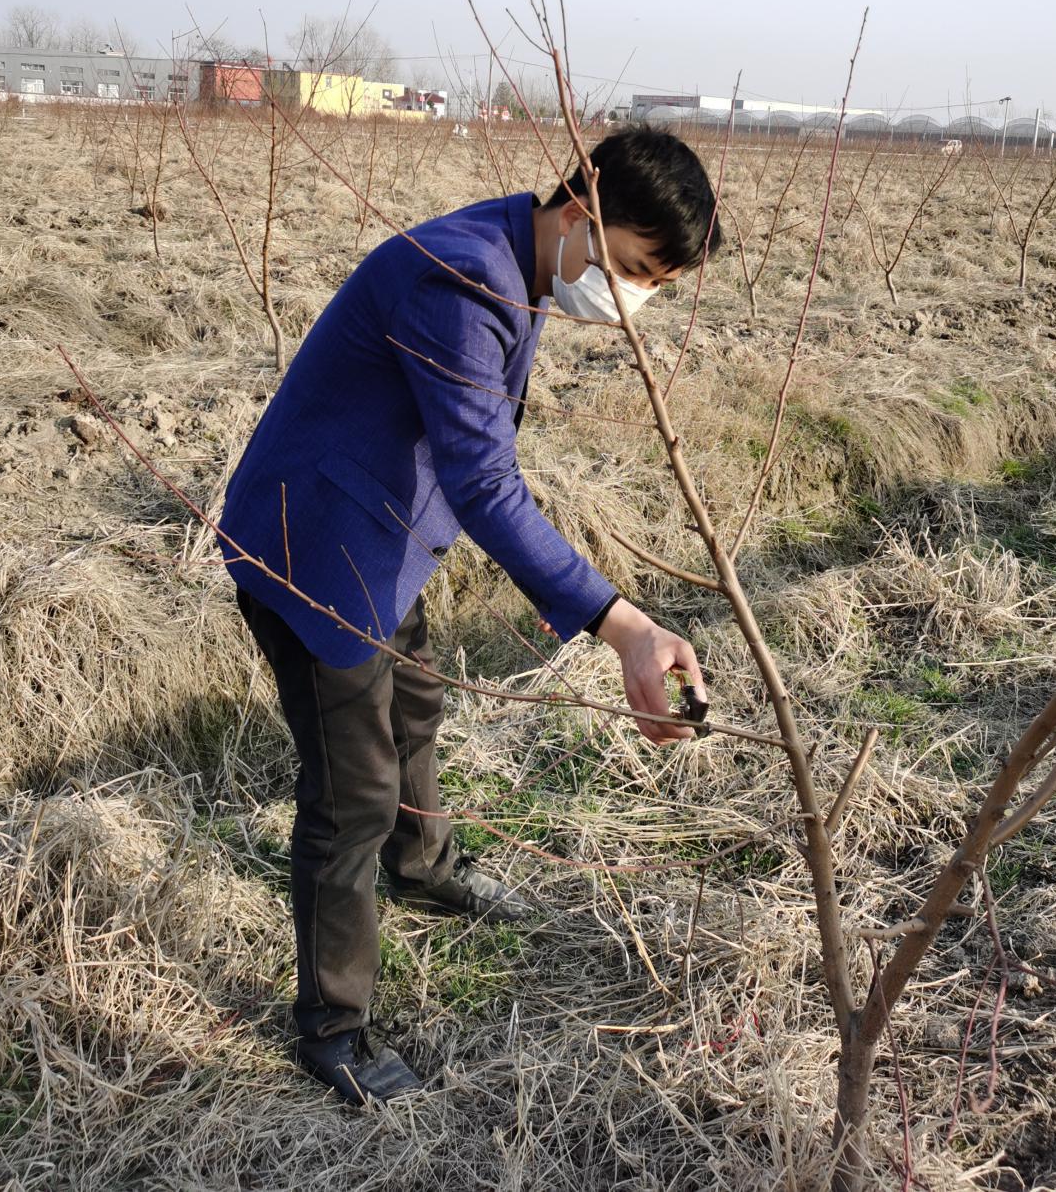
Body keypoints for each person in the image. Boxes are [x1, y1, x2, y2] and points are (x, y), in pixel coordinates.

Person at [218, 125, 720, 1104]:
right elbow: (485, 481)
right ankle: (332, 1029)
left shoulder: (515, 252)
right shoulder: (464, 280)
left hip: (380, 536)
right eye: (629, 269)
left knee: (414, 707)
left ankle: (427, 870)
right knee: (349, 796)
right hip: (314, 552)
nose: (632, 300)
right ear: (579, 212)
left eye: (655, 282)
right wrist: (622, 627)